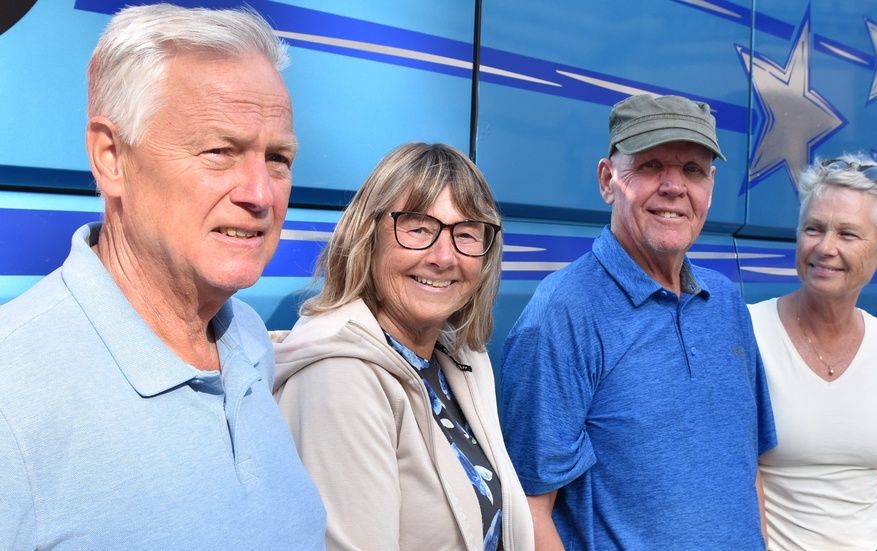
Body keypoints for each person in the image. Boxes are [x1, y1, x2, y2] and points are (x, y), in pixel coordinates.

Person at [0, 4, 326, 548]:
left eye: (278, 158)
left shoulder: (245, 337)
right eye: (220, 151)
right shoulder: (12, 392)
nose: (260, 194)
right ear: (111, 157)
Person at [498, 94, 777, 550]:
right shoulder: (564, 312)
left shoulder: (725, 301)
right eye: (649, 166)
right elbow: (528, 511)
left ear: (710, 186)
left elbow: (746, 471)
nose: (673, 187)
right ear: (608, 180)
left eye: (692, 169)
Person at [273, 142, 535, 550]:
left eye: (466, 233)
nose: (444, 256)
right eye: (419, 229)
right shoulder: (340, 379)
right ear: (368, 236)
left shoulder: (457, 363)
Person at [749, 154, 877, 551]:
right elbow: (739, 484)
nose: (825, 247)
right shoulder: (749, 331)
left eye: (847, 234)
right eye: (813, 228)